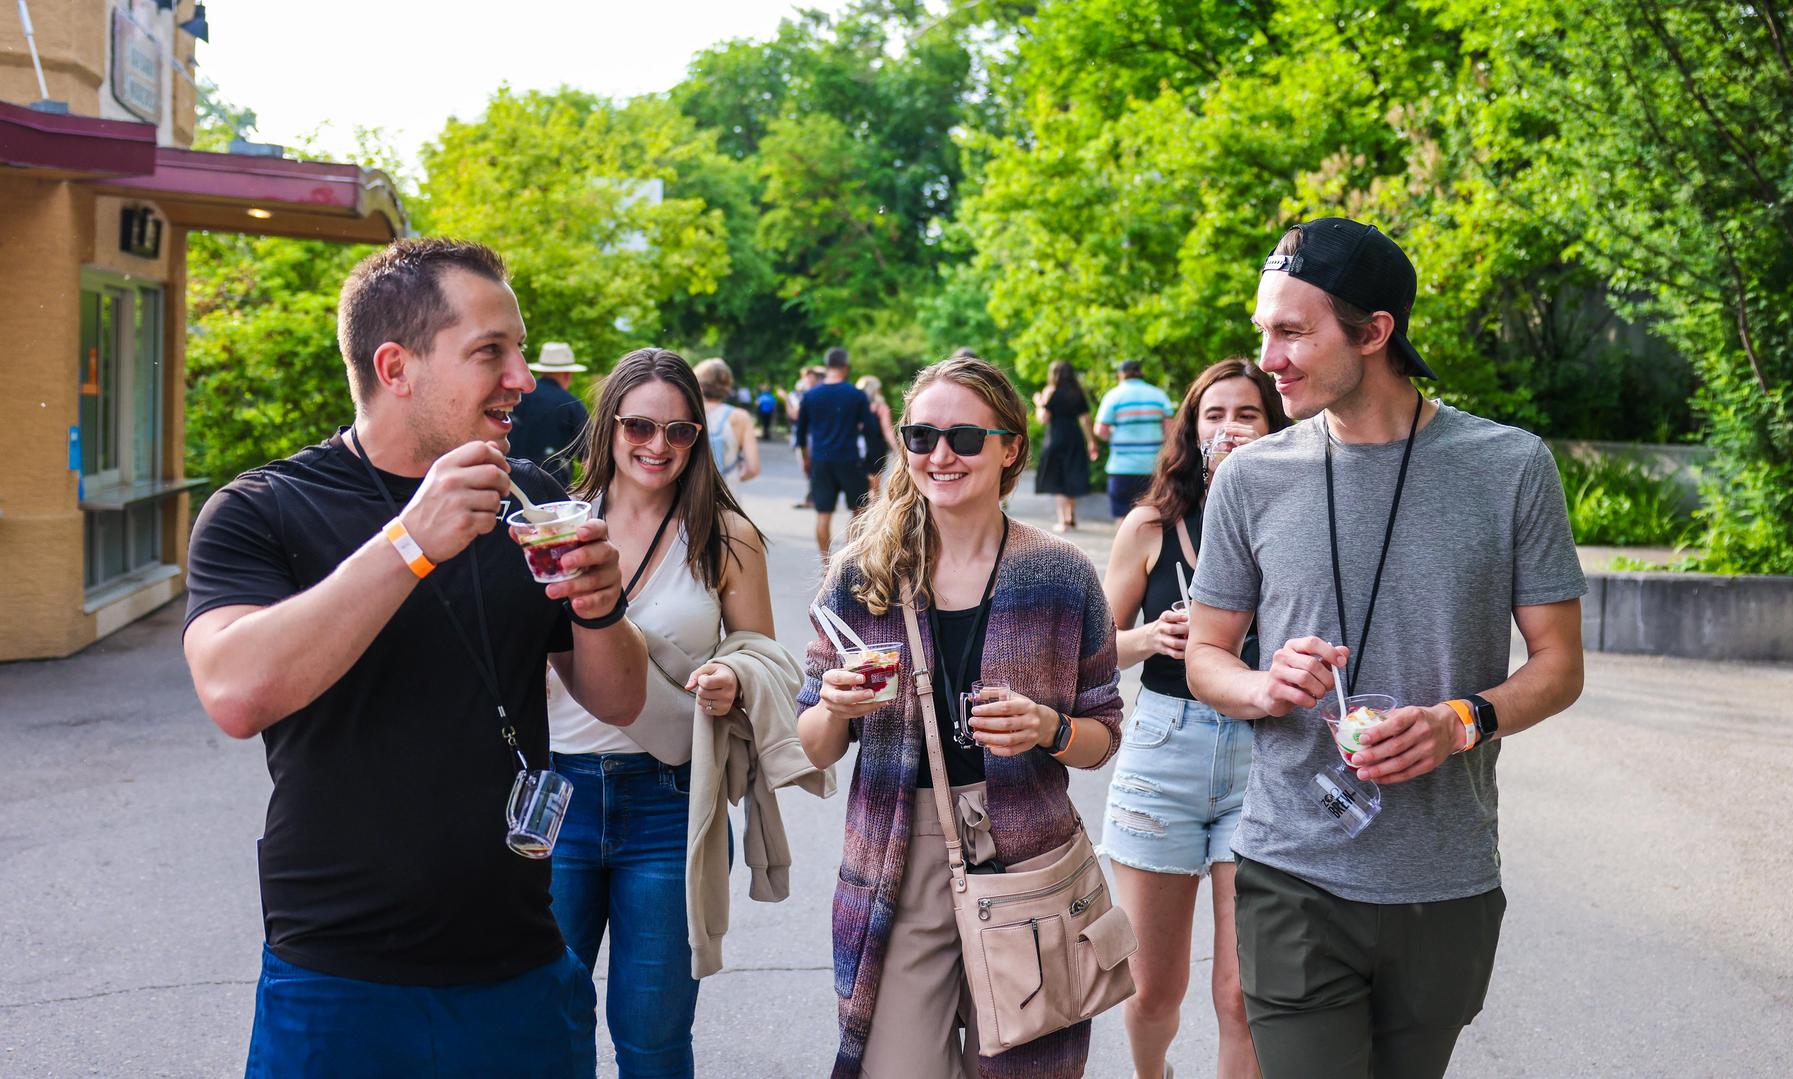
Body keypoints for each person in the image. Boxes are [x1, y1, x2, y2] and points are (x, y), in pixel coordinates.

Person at [181, 238, 652, 1076]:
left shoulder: (530, 499)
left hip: (521, 966)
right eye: (490, 352)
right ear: (396, 367)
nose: (523, 379)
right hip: (336, 976)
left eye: (518, 349)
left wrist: (601, 603)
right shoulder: (262, 509)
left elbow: (617, 699)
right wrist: (409, 542)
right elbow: (234, 691)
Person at [1184, 218, 1588, 1079]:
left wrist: (1460, 721)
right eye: (1264, 330)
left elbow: (1559, 665)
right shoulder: (1252, 476)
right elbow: (1205, 657)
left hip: (1446, 874)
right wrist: (1262, 684)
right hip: (1291, 869)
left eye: (1292, 332)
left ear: (1374, 333)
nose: (1269, 356)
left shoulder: (1510, 466)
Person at [796, 354, 1125, 1079]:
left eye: (964, 438)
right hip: (896, 851)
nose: (940, 455)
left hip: (1029, 856)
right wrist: (834, 703)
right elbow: (812, 744)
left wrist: (1050, 729)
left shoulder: (1061, 574)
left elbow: (1102, 735)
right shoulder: (864, 572)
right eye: (920, 437)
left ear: (1010, 447)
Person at [546, 347, 828, 1077]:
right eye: (640, 425)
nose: (658, 445)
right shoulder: (554, 523)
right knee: (544, 1024)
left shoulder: (722, 533)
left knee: (653, 1036)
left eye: (680, 431)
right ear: (608, 425)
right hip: (553, 797)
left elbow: (764, 654)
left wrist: (732, 674)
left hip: (669, 800)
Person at [1100, 358, 1284, 1079]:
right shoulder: (1151, 525)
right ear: (1192, 428)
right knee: (1152, 990)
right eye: (1216, 414)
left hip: (1266, 757)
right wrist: (1151, 638)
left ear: (1275, 426)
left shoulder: (1303, 518)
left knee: (1242, 995)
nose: (1232, 428)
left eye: (1249, 414)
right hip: (1163, 751)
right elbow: (1093, 652)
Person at [795, 348, 884, 561]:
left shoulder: (810, 395)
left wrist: (807, 459)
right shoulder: (856, 395)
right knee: (858, 512)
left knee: (823, 514)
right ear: (846, 367)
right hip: (850, 460)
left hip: (821, 461)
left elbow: (800, 433)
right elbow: (871, 431)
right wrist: (874, 466)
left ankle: (826, 566)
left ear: (826, 367)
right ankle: (848, 562)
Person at [1094, 360, 1174, 521]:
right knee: (1153, 517)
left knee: (1123, 517)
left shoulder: (1113, 395)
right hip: (1153, 467)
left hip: (1122, 468)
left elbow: (1100, 430)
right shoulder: (1158, 395)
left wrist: (1114, 436)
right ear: (1140, 372)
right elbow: (1170, 431)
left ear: (1121, 375)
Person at [511, 341, 591, 487]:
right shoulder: (571, 405)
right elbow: (590, 459)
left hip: (508, 488)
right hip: (551, 495)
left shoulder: (515, 398)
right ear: (568, 375)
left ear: (542, 371)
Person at [1032, 361, 1098, 532]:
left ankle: (1063, 520)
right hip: (1074, 436)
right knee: (1071, 473)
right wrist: (1091, 441)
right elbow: (1085, 419)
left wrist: (1039, 402)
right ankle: (1071, 515)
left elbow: (1043, 418)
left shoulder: (1050, 391)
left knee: (1058, 478)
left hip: (1055, 437)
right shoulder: (1076, 393)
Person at [693, 356, 762, 482]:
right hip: (728, 490)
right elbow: (753, 468)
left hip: (693, 490)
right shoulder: (740, 417)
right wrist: (735, 477)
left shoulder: (688, 412)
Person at [854, 373, 899, 498]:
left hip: (856, 448)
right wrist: (897, 449)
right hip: (875, 448)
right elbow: (887, 430)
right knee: (875, 487)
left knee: (860, 486)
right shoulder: (880, 407)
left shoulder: (854, 406)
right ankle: (873, 515)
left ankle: (860, 514)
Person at [789, 366, 825, 510]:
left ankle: (813, 497)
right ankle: (813, 495)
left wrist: (786, 399)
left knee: (810, 466)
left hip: (812, 436)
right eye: (806, 376)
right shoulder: (806, 394)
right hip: (805, 434)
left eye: (810, 376)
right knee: (807, 467)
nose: (807, 379)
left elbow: (795, 414)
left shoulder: (812, 395)